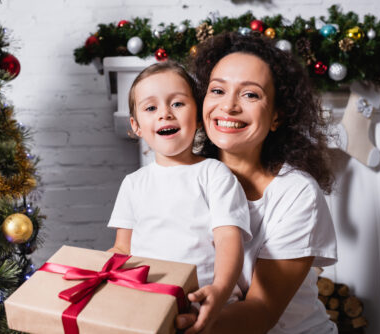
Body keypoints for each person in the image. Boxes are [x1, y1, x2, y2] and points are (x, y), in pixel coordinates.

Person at [175, 32, 338, 334]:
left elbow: (262, 311)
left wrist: (181, 327)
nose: (229, 106)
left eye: (250, 94)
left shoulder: (296, 193)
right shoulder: (182, 178)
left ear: (276, 116)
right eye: (217, 90)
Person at [107, 61, 252, 332]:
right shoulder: (133, 184)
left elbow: (228, 239)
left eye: (177, 104)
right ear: (136, 126)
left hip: (204, 300)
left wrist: (219, 290)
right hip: (150, 301)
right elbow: (122, 249)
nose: (165, 114)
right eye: (151, 108)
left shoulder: (213, 174)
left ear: (198, 116)